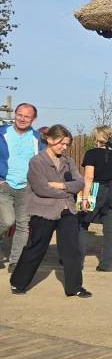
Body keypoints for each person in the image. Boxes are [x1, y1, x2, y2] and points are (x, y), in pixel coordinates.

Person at [9, 125, 91, 298]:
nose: (65, 147)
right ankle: (18, 282)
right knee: (36, 247)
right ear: (50, 140)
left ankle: (75, 287)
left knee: (72, 249)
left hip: (67, 210)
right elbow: (41, 189)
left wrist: (60, 185)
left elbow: (80, 182)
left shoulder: (68, 161)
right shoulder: (36, 161)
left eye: (67, 144)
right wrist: (68, 190)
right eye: (62, 143)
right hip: (43, 210)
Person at [79, 125, 112, 272]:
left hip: (96, 191)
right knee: (109, 228)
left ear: (96, 138)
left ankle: (77, 262)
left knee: (81, 224)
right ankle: (107, 265)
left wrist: (84, 198)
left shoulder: (91, 154)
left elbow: (89, 177)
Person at [0, 103, 44, 273]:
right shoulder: (2, 132)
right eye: (20, 114)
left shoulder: (37, 138)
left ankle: (15, 262)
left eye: (27, 116)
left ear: (34, 119)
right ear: (15, 114)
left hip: (26, 188)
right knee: (7, 221)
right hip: (4, 185)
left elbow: (43, 161)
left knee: (23, 225)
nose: (22, 119)